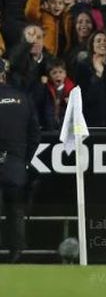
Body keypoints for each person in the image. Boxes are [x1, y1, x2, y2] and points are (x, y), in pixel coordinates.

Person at [0, 58, 41, 263]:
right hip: (14, 163)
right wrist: (23, 158)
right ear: (4, 75)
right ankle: (17, 254)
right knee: (15, 210)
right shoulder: (22, 98)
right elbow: (35, 134)